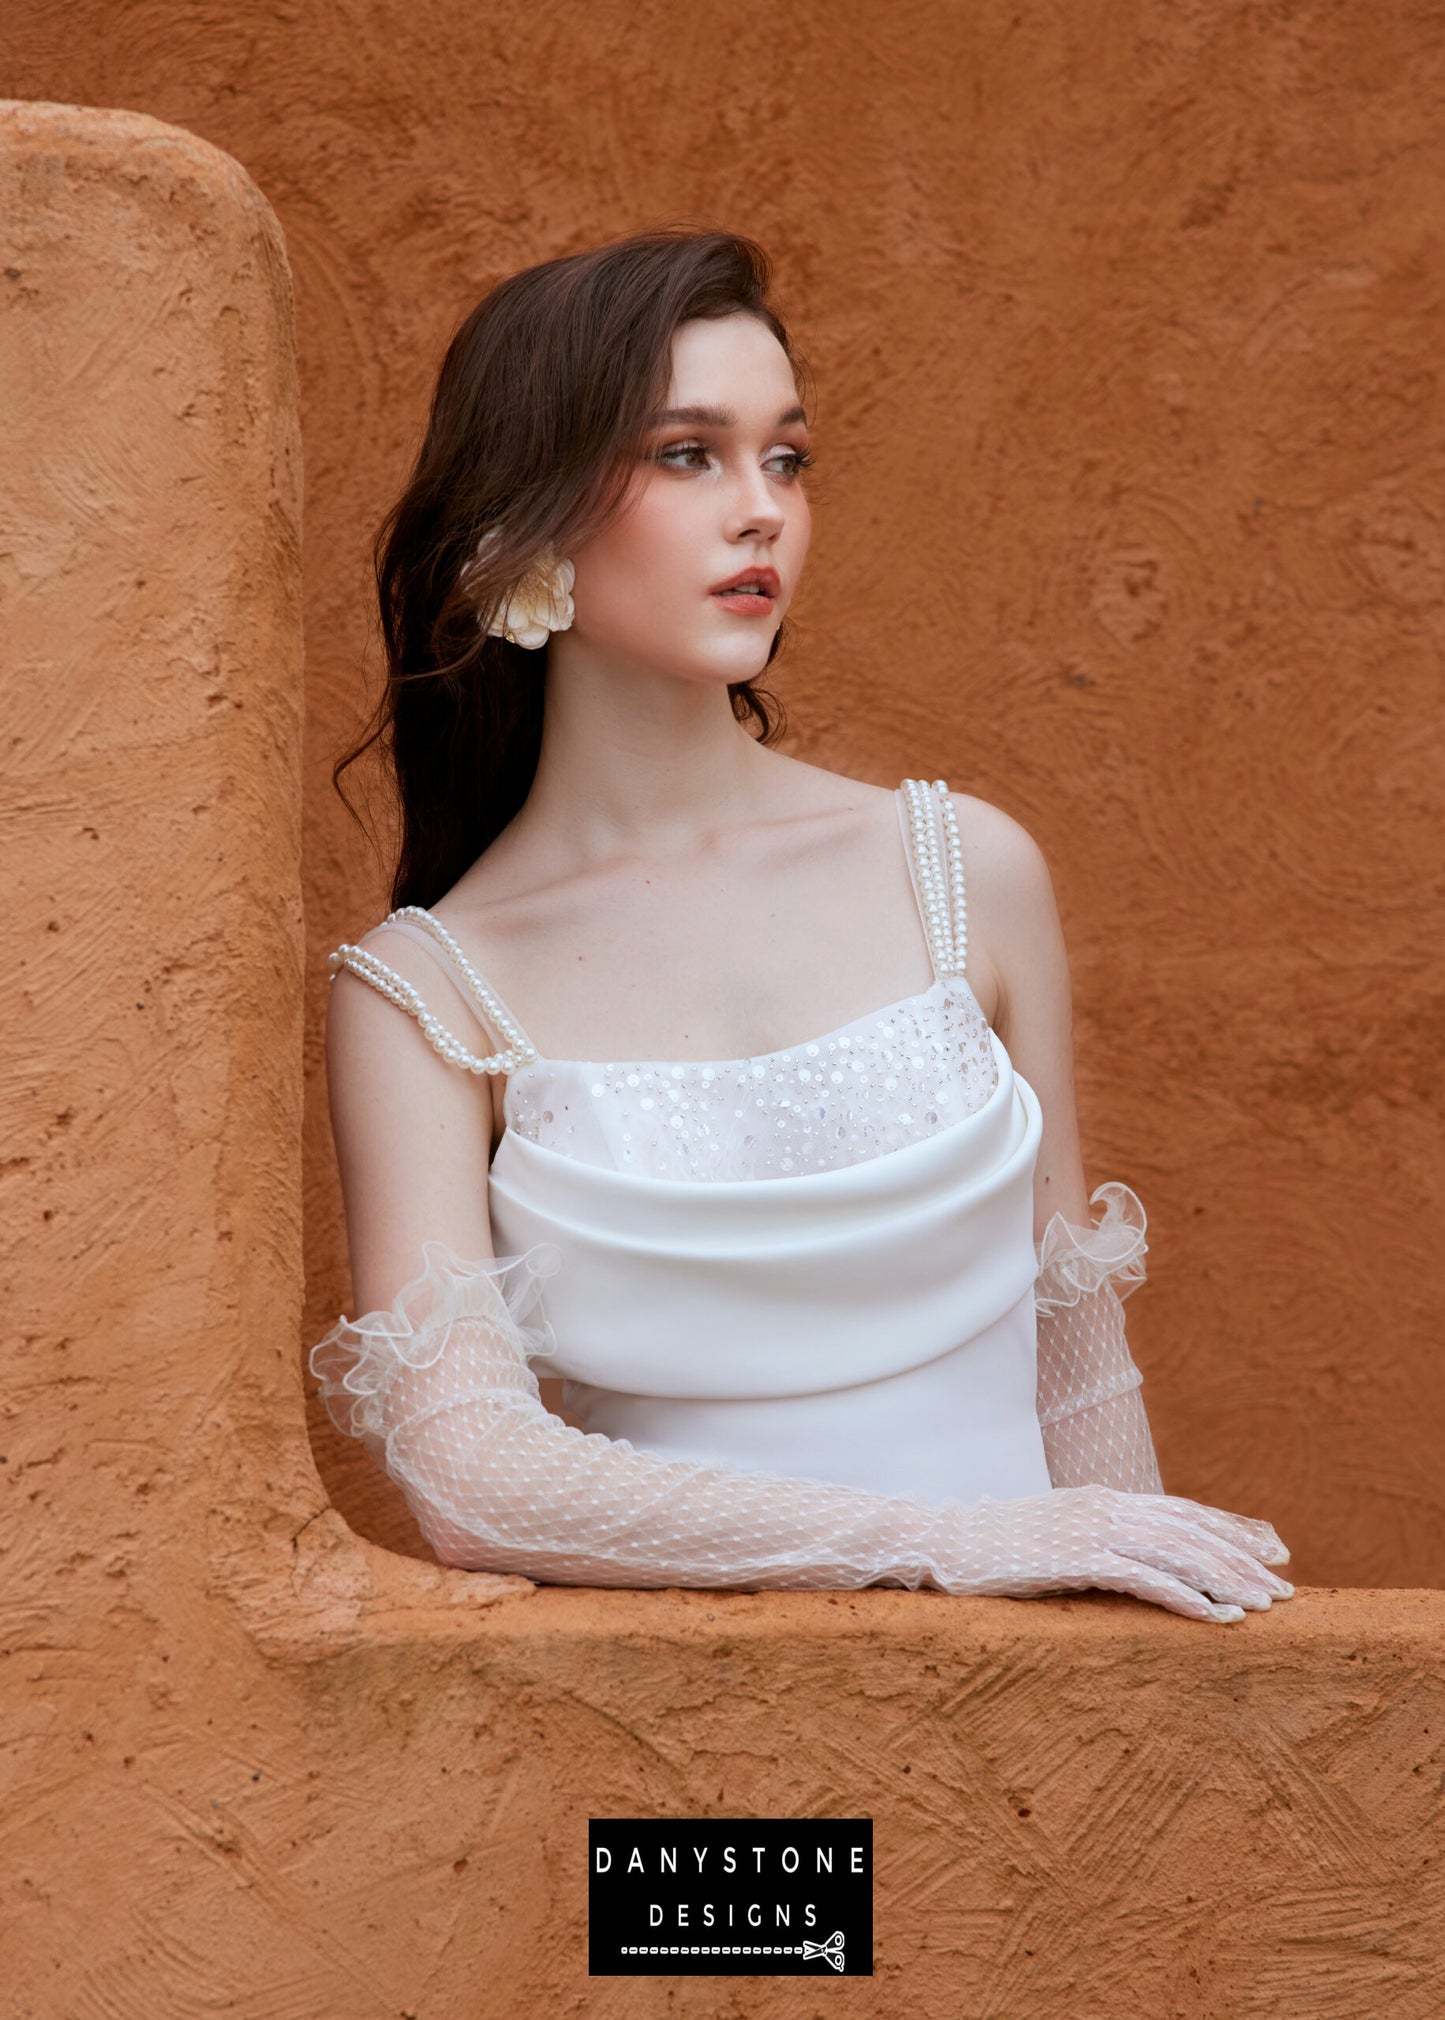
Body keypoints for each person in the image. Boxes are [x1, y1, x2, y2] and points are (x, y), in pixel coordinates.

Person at [311, 228, 1294, 1624]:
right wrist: (937, 1540)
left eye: (785, 457)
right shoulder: (425, 990)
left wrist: (1140, 1663)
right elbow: (472, 1475)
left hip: (1032, 1747)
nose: (760, 509)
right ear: (520, 518)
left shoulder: (959, 867)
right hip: (683, 1775)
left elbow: (1075, 1361)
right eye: (685, 453)